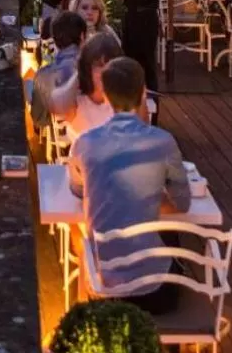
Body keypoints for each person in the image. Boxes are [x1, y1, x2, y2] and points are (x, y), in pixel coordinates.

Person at [67, 57, 192, 315]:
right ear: (142, 92)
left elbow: (79, 190)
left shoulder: (85, 143)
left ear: (107, 95)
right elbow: (183, 203)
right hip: (155, 293)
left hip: (103, 287)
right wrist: (146, 198)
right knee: (172, 239)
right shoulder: (163, 142)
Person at [52, 30, 122, 146]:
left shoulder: (122, 101)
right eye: (99, 66)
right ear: (88, 68)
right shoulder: (76, 102)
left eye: (111, 65)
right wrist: (78, 73)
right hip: (83, 162)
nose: (105, 72)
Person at [30, 11, 87, 133]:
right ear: (82, 36)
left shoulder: (43, 74)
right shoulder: (91, 70)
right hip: (90, 130)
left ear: (54, 40)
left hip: (63, 132)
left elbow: (38, 119)